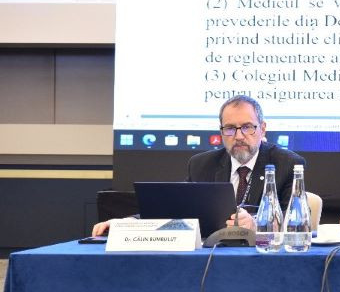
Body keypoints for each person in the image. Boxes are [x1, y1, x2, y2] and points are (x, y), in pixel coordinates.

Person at [91, 94, 305, 235]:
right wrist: (128, 223)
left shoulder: (287, 164)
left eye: (247, 127)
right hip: (210, 256)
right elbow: (175, 210)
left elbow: (293, 223)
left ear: (263, 128)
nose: (239, 136)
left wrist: (257, 225)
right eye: (230, 128)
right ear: (221, 131)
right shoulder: (202, 164)